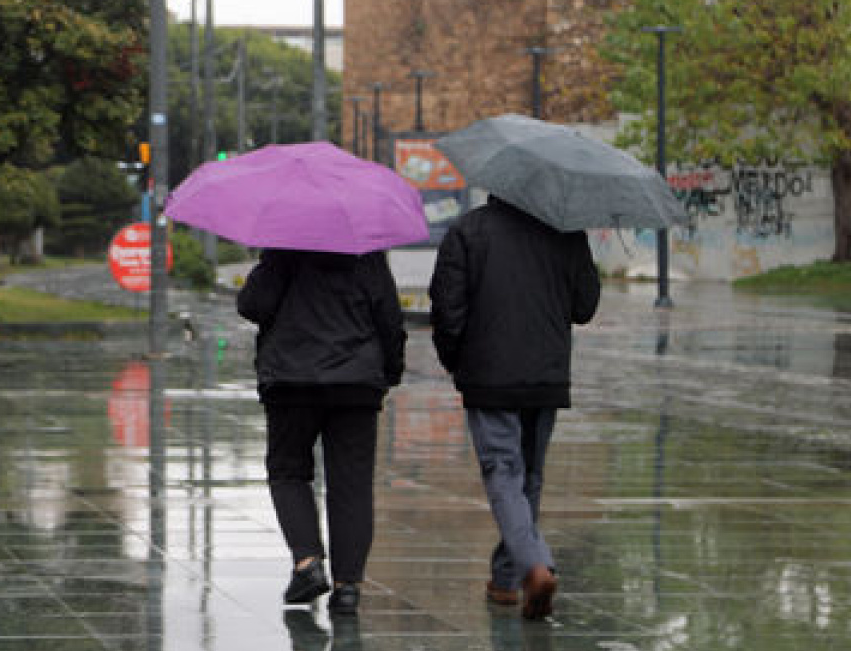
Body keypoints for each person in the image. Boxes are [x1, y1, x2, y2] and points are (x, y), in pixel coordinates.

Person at [428, 196, 600, 621]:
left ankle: (535, 565)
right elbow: (585, 307)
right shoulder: (567, 230)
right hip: (546, 375)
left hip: (489, 375)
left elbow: (447, 310)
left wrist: (456, 361)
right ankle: (507, 580)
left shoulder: (468, 231)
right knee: (530, 475)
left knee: (503, 471)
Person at [237, 248, 406, 617]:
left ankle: (308, 562)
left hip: (290, 379)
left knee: (288, 471)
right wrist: (389, 371)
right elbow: (389, 318)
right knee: (352, 483)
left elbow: (252, 305)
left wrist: (271, 263)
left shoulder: (284, 248)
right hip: (357, 383)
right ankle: (348, 588)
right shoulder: (367, 253)